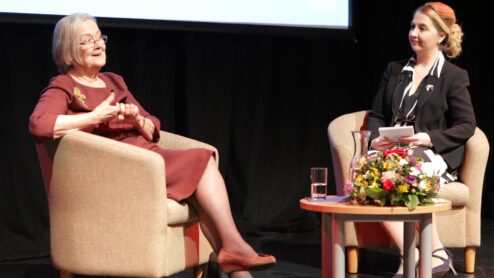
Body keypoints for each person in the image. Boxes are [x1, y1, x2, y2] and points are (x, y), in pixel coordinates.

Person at [29, 13, 275, 278]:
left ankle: (234, 260)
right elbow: (39, 125)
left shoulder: (114, 81)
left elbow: (152, 126)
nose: (99, 44)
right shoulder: (63, 86)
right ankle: (235, 250)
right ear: (67, 50)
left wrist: (136, 119)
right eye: (88, 41)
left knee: (203, 167)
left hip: (147, 159)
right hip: (119, 170)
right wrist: (94, 117)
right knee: (202, 161)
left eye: (100, 37)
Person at [366, 2, 475, 277]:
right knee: (367, 173)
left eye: (422, 28)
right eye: (413, 26)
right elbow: (377, 114)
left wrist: (428, 138)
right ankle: (417, 252)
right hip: (390, 152)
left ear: (440, 35)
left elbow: (466, 125)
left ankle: (426, 253)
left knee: (397, 174)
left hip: (427, 154)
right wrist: (375, 140)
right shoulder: (394, 69)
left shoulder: (453, 76)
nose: (414, 32)